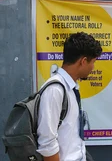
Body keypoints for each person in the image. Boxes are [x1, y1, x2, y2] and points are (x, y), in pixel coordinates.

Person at [37, 32, 102, 161]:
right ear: (83, 61)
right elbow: (47, 144)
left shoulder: (70, 88)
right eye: (93, 62)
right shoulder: (55, 90)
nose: (93, 68)